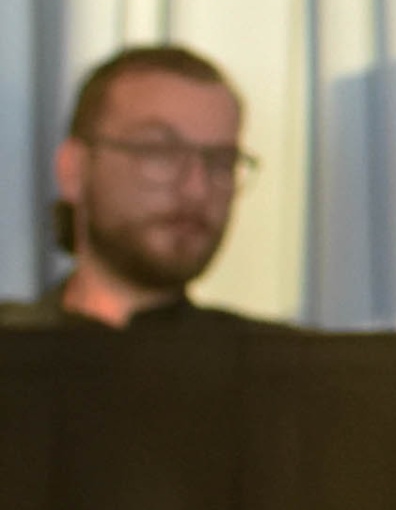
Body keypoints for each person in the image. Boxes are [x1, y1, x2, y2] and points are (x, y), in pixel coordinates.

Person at [14, 45, 252, 326]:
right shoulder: (13, 344)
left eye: (221, 161)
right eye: (160, 152)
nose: (197, 189)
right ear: (73, 170)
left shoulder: (276, 352)